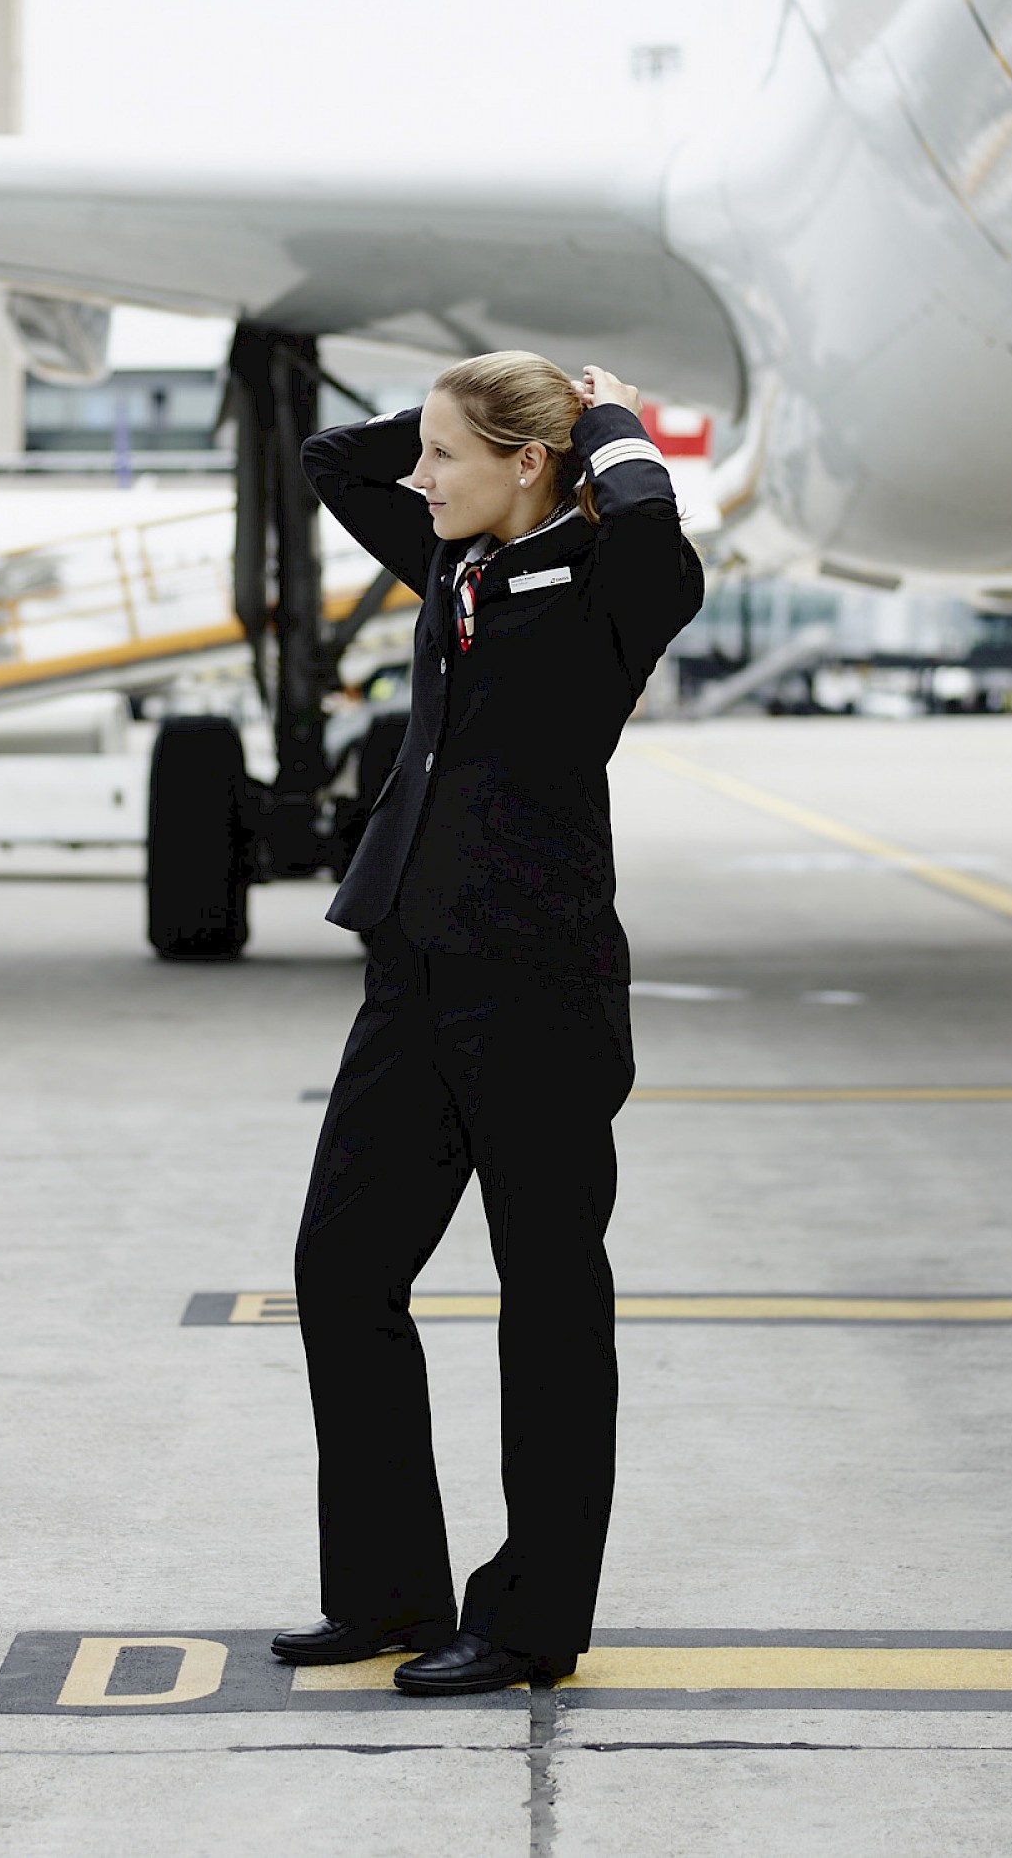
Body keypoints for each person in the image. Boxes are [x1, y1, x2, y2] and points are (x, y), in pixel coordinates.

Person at [271, 350, 705, 1695]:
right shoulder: (454, 557)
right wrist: (451, 412)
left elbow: (657, 534)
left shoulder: (611, 587)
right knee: (344, 1274)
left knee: (551, 1308)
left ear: (531, 468)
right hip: (409, 975)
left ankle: (529, 1622)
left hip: (540, 995)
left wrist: (604, 418)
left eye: (451, 458)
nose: (423, 479)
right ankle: (390, 1594)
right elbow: (336, 461)